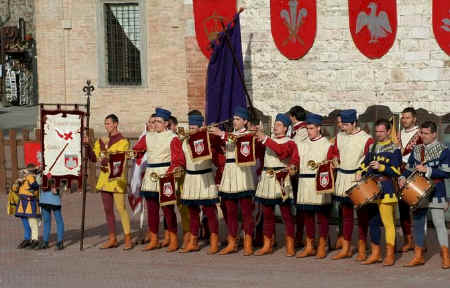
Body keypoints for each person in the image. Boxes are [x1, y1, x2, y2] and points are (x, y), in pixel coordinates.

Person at [209, 106, 262, 256]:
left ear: (245, 121)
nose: (235, 121)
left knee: (246, 211)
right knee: (230, 210)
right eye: (234, 118)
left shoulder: (248, 134)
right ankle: (232, 241)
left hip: (242, 173)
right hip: (229, 172)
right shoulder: (230, 134)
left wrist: (221, 133)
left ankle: (248, 242)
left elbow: (239, 141)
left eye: (238, 119)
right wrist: (209, 131)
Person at [399, 121, 450, 269]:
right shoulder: (417, 149)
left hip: (437, 190)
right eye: (421, 133)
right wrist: (402, 177)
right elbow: (408, 169)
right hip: (417, 191)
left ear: (434, 134)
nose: (423, 136)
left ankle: (446, 256)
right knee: (419, 223)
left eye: (426, 133)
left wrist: (428, 170)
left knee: (439, 224)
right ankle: (418, 256)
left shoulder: (444, 150)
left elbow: (447, 172)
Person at [133, 108, 184, 252]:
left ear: (166, 123)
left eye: (159, 121)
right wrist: (127, 153)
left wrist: (170, 173)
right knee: (152, 209)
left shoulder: (172, 138)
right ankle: (154, 239)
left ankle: (173, 239)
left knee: (168, 209)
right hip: (150, 175)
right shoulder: (148, 136)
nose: (155, 124)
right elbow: (137, 149)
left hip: (165, 175)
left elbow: (178, 159)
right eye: (154, 121)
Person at [328, 109, 374, 260]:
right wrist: (334, 159)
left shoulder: (366, 138)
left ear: (354, 123)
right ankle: (346, 248)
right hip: (342, 177)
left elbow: (369, 159)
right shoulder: (340, 136)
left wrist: (363, 172)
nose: (343, 127)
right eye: (342, 124)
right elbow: (335, 152)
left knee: (362, 215)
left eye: (347, 125)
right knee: (346, 215)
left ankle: (361, 248)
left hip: (357, 178)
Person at [84, 114, 133, 250]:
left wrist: (105, 150)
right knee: (108, 210)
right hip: (105, 179)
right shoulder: (101, 140)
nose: (107, 126)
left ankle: (128, 237)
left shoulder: (123, 141)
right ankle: (113, 238)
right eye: (105, 124)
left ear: (116, 124)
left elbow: (115, 159)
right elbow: (94, 158)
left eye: (109, 123)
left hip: (116, 180)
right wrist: (88, 145)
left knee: (121, 209)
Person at [356, 119, 401, 266]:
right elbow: (365, 164)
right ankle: (375, 254)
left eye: (382, 131)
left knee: (388, 223)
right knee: (373, 222)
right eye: (377, 131)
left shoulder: (395, 148)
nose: (379, 134)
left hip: (387, 188)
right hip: (372, 188)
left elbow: (397, 171)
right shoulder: (372, 147)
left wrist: (382, 167)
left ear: (388, 131)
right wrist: (359, 172)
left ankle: (389, 255)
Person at [253, 113, 299, 256]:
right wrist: (253, 133)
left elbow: (282, 152)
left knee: (286, 214)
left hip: (281, 178)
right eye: (275, 124)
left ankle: (290, 244)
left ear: (286, 128)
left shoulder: (290, 142)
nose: (275, 127)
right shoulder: (269, 140)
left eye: (279, 125)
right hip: (267, 178)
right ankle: (268, 244)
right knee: (267, 214)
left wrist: (265, 138)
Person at [178, 111, 224, 254]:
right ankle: (193, 241)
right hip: (191, 178)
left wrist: (211, 132)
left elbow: (219, 145)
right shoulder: (184, 140)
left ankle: (214, 241)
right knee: (193, 212)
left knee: (210, 211)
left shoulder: (208, 139)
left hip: (205, 177)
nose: (190, 130)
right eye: (189, 127)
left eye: (193, 127)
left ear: (200, 126)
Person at [296, 113, 333, 259]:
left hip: (320, 183)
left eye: (311, 128)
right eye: (307, 128)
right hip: (304, 183)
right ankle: (310, 245)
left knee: (322, 217)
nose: (309, 131)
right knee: (307, 216)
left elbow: (331, 162)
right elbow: (295, 158)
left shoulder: (327, 145)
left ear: (318, 128)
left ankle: (323, 245)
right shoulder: (302, 144)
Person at [398, 107, 422, 252]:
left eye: (407, 117)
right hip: (400, 173)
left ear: (414, 119)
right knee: (403, 207)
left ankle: (420, 241)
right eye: (403, 117)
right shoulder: (398, 134)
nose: (404, 120)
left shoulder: (420, 133)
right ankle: (408, 240)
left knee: (418, 207)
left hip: (415, 172)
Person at [288, 105, 307, 248]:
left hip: (300, 172)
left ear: (293, 117)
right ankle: (298, 235)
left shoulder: (302, 131)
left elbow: (296, 150)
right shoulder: (296, 131)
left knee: (300, 205)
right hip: (296, 171)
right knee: (298, 205)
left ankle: (300, 236)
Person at [14, 165, 40, 249]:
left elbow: (35, 186)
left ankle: (35, 239)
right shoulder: (22, 180)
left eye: (24, 172)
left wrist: (28, 177)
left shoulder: (31, 177)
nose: (22, 173)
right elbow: (15, 189)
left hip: (30, 202)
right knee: (25, 222)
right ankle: (27, 238)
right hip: (22, 202)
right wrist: (18, 182)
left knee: (32, 221)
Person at [36, 179, 65, 250]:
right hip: (44, 199)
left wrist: (58, 190)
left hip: (55, 199)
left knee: (59, 220)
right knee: (46, 221)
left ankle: (60, 241)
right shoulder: (42, 171)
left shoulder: (59, 171)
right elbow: (38, 182)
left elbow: (64, 183)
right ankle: (45, 241)